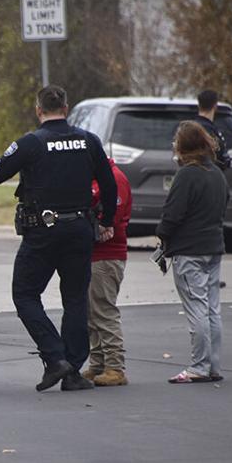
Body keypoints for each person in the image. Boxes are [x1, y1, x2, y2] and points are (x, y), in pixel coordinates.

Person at [0, 85, 118, 392]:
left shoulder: (31, 143)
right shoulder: (89, 141)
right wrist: (106, 222)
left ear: (39, 110)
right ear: (65, 108)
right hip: (80, 229)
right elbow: (109, 186)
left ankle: (55, 358)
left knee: (25, 295)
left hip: (43, 232)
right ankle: (72, 372)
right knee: (75, 299)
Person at [158, 121, 228, 384]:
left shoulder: (187, 175)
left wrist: (162, 233)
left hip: (190, 251)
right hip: (213, 247)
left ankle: (199, 366)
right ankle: (213, 365)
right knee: (212, 309)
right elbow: (223, 205)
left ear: (182, 146)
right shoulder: (217, 173)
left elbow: (173, 214)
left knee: (196, 307)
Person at [82, 158, 132, 387]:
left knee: (103, 310)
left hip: (107, 255)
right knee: (91, 313)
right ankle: (98, 363)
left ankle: (115, 367)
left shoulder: (114, 179)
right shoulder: (93, 178)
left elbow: (111, 220)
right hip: (92, 255)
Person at [193, 90, 232, 170]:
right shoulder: (210, 131)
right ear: (215, 106)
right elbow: (219, 156)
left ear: (199, 106)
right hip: (210, 174)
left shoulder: (189, 129)